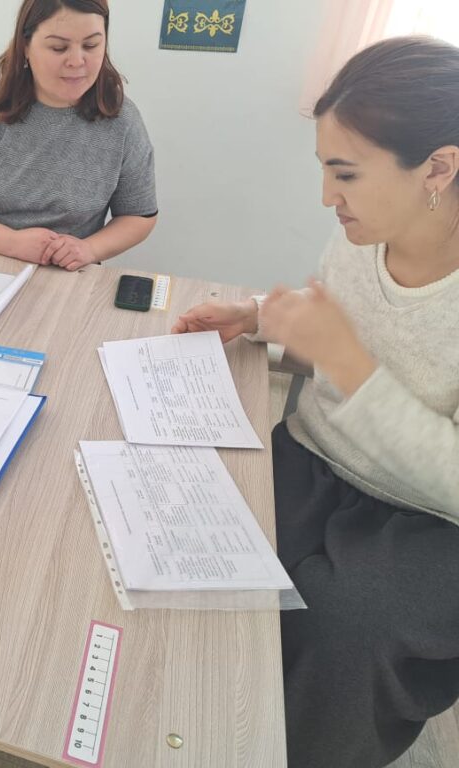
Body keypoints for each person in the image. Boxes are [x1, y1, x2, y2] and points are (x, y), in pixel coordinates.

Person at [172, 36, 459, 768]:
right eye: (325, 169)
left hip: (432, 523)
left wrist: (347, 361)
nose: (328, 197)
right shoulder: (363, 237)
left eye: (346, 174)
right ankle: (192, 731)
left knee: (342, 622)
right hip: (319, 459)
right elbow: (329, 333)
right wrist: (257, 321)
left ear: (439, 167)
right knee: (195, 528)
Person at [0, 0, 157, 271]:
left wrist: (89, 249)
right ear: (25, 46)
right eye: (58, 48)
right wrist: (12, 243)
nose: (77, 61)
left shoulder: (122, 120)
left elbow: (138, 216)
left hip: (65, 272)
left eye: (91, 45)